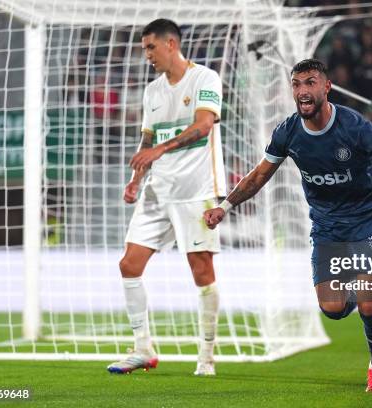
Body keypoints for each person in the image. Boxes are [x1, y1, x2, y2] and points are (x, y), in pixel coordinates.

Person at [203, 59, 372, 392]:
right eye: (296, 84)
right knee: (331, 309)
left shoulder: (355, 127)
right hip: (327, 227)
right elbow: (259, 175)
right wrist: (225, 206)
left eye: (310, 82)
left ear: (326, 87)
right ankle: (365, 299)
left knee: (369, 304)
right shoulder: (288, 132)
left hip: (368, 220)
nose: (302, 91)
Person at [107, 18, 226, 376]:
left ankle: (206, 354)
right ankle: (143, 347)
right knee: (129, 265)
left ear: (170, 44)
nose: (146, 55)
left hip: (197, 191)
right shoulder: (152, 91)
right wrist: (135, 179)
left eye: (150, 47)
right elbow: (147, 141)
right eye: (144, 49)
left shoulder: (205, 78)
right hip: (158, 191)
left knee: (201, 269)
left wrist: (159, 150)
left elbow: (204, 125)